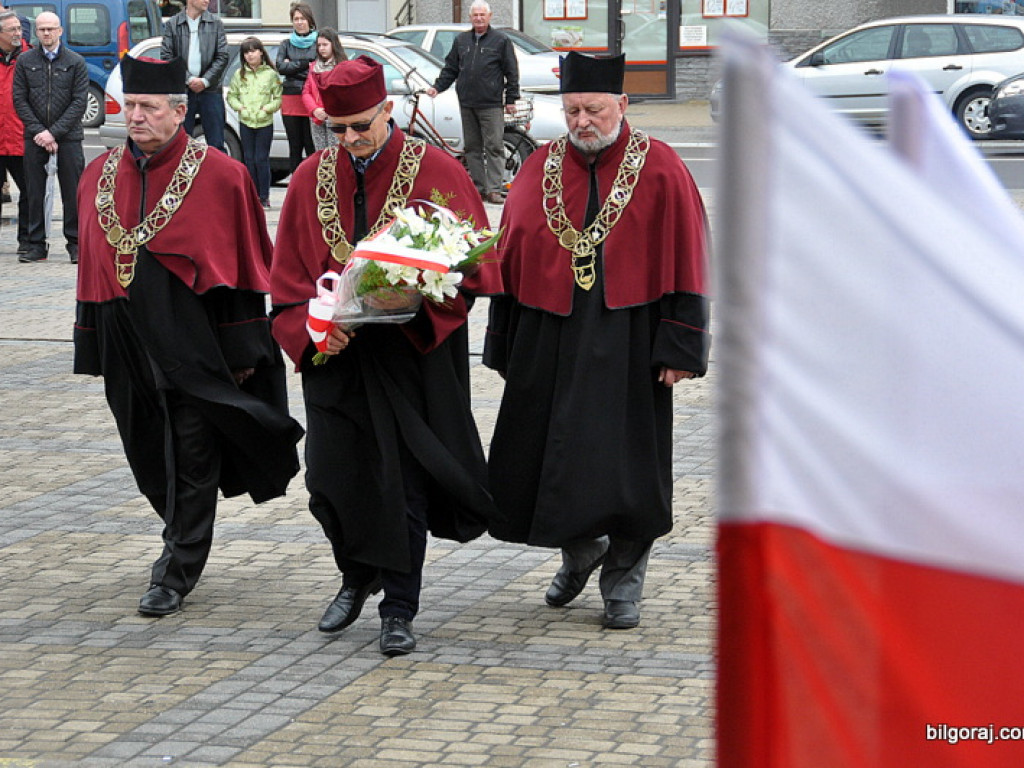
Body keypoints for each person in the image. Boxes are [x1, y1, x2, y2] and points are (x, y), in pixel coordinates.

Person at [270, 56, 500, 656]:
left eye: (361, 127)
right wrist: (311, 331)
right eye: (337, 130)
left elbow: (472, 267)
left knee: (404, 488)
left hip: (409, 356)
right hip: (336, 359)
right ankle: (356, 573)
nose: (348, 140)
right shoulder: (307, 179)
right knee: (328, 481)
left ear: (388, 111)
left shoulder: (438, 170)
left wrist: (417, 301)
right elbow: (286, 283)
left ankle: (398, 606)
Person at [483, 52, 711, 630]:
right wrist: (504, 337)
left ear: (621, 105)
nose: (582, 121)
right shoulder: (540, 165)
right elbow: (512, 247)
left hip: (629, 336)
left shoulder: (660, 166)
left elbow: (689, 255)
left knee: (625, 466)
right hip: (549, 330)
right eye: (571, 110)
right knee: (547, 456)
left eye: (593, 109)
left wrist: (681, 346)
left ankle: (624, 576)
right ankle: (580, 549)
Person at [73, 55, 304, 618]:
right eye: (129, 106)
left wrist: (245, 351)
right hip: (122, 332)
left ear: (180, 111)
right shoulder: (97, 174)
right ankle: (176, 530)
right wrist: (90, 341)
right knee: (147, 449)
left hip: (193, 334)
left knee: (192, 449)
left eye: (148, 107)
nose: (135, 117)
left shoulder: (221, 174)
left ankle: (176, 569)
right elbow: (89, 267)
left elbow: (245, 270)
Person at [12, 11, 87, 264]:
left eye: (50, 29)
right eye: (42, 29)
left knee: (73, 192)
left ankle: (76, 243)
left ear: (60, 31)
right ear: (37, 32)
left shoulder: (76, 61)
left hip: (69, 137)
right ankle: (36, 244)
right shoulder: (25, 60)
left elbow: (79, 102)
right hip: (34, 137)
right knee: (34, 191)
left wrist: (53, 132)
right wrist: (40, 132)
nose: (46, 33)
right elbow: (19, 100)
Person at [426, 0, 519, 204]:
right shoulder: (461, 41)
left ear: (490, 16)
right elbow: (451, 68)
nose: (478, 18)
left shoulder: (500, 40)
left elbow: (511, 72)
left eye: (482, 15)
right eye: (475, 15)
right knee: (472, 148)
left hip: (491, 103)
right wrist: (437, 87)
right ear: (470, 17)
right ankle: (479, 189)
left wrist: (511, 98)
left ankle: (494, 189)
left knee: (494, 146)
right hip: (467, 103)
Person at [160, 0, 229, 152]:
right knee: (179, 142)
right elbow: (166, 56)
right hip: (182, 90)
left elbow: (223, 56)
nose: (207, 1)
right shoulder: (173, 23)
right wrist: (189, 79)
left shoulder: (216, 23)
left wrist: (205, 81)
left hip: (210, 90)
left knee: (216, 143)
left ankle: (214, 175)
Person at [226, 36, 281, 208]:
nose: (250, 56)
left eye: (253, 51)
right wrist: (240, 108)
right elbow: (231, 96)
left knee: (261, 159)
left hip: (264, 122)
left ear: (261, 52)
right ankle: (251, 194)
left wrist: (267, 109)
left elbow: (278, 98)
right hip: (246, 121)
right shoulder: (239, 74)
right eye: (246, 53)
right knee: (248, 159)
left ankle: (264, 195)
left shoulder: (271, 74)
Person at [275, 1, 317, 173]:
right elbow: (281, 67)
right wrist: (306, 64)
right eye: (296, 19)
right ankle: (296, 188)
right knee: (295, 146)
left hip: (311, 99)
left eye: (302, 18)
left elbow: (317, 69)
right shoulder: (286, 44)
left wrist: (293, 66)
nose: (299, 22)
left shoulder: (318, 42)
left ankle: (313, 185)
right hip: (290, 99)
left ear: (310, 20)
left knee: (311, 145)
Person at [0, 10, 28, 255]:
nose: (18, 33)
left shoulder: (30, 58)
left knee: (30, 193)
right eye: (12, 30)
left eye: (19, 28)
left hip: (23, 138)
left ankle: (28, 243)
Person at [301, 27, 346, 152]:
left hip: (335, 117)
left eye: (325, 45)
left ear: (334, 44)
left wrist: (329, 110)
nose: (321, 48)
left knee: (336, 152)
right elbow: (306, 91)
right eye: (319, 45)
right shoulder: (314, 66)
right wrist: (314, 109)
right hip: (317, 117)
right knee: (321, 154)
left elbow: (343, 93)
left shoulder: (342, 66)